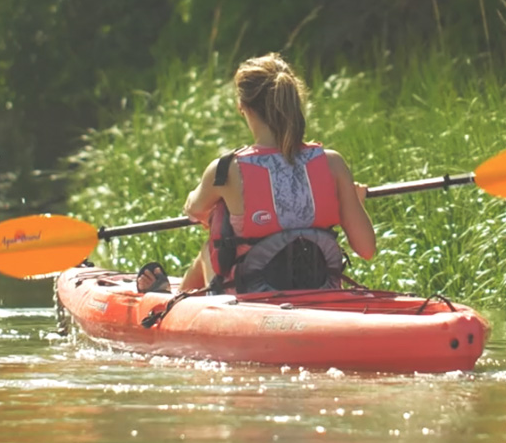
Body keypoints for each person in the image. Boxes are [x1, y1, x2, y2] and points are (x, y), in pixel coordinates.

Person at [136, 53, 377, 295]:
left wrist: (216, 210)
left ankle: (172, 301)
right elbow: (367, 249)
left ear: (242, 107)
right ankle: (175, 300)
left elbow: (194, 210)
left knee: (208, 250)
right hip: (322, 294)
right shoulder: (332, 164)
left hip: (252, 304)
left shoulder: (226, 171)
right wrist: (353, 201)